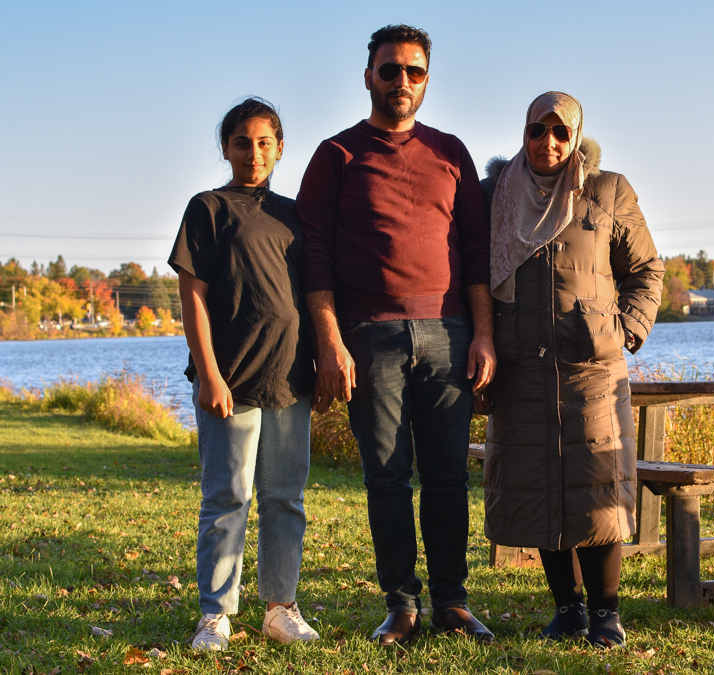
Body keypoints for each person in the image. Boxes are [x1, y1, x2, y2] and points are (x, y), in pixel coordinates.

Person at [295, 24, 496, 646]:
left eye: (414, 71)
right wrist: (329, 340)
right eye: (390, 70)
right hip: (369, 337)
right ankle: (401, 606)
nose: (402, 81)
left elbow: (477, 250)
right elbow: (314, 253)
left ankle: (452, 603)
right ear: (368, 77)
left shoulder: (451, 151)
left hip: (450, 332)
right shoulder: (337, 154)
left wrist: (484, 336)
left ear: (426, 80)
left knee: (447, 478)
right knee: (386, 476)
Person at [480, 92, 664, 648]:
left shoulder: (608, 191)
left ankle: (606, 614)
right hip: (520, 368)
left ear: (577, 135)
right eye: (538, 130)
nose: (549, 142)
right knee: (538, 485)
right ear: (525, 133)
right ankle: (567, 609)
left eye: (561, 132)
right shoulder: (498, 194)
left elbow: (647, 268)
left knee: (596, 484)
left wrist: (626, 329)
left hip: (593, 368)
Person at [169, 98, 319, 651]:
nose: (253, 153)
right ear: (225, 148)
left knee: (285, 497)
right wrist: (208, 373)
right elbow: (194, 295)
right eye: (241, 143)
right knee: (227, 497)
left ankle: (280, 607)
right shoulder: (207, 209)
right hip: (229, 380)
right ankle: (216, 614)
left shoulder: (295, 214)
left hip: (289, 378)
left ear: (280, 147)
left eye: (263, 143)